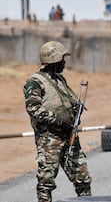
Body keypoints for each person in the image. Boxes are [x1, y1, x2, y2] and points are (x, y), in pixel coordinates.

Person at [23, 41, 92, 202]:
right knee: (46, 182)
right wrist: (60, 119)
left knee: (82, 178)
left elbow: (66, 101)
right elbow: (33, 110)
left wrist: (75, 111)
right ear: (54, 60)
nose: (64, 63)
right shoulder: (34, 82)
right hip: (49, 139)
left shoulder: (59, 79)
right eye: (62, 59)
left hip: (69, 136)